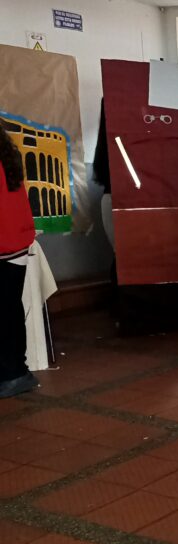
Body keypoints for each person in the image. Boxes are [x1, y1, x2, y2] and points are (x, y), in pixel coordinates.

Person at [0, 124, 39, 398]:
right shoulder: (7, 157)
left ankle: (14, 374)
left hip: (6, 247)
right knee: (8, 311)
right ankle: (14, 372)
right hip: (14, 247)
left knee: (5, 314)